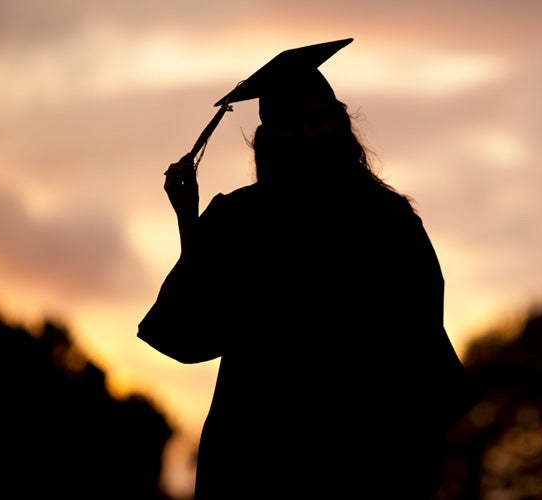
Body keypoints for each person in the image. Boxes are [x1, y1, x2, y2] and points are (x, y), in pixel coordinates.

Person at [137, 39, 474, 499]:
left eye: (319, 120)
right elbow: (191, 333)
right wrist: (188, 221)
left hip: (364, 457)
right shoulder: (238, 219)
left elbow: (420, 340)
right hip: (256, 457)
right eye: (290, 124)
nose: (308, 134)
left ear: (341, 127)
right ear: (267, 138)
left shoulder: (386, 222)